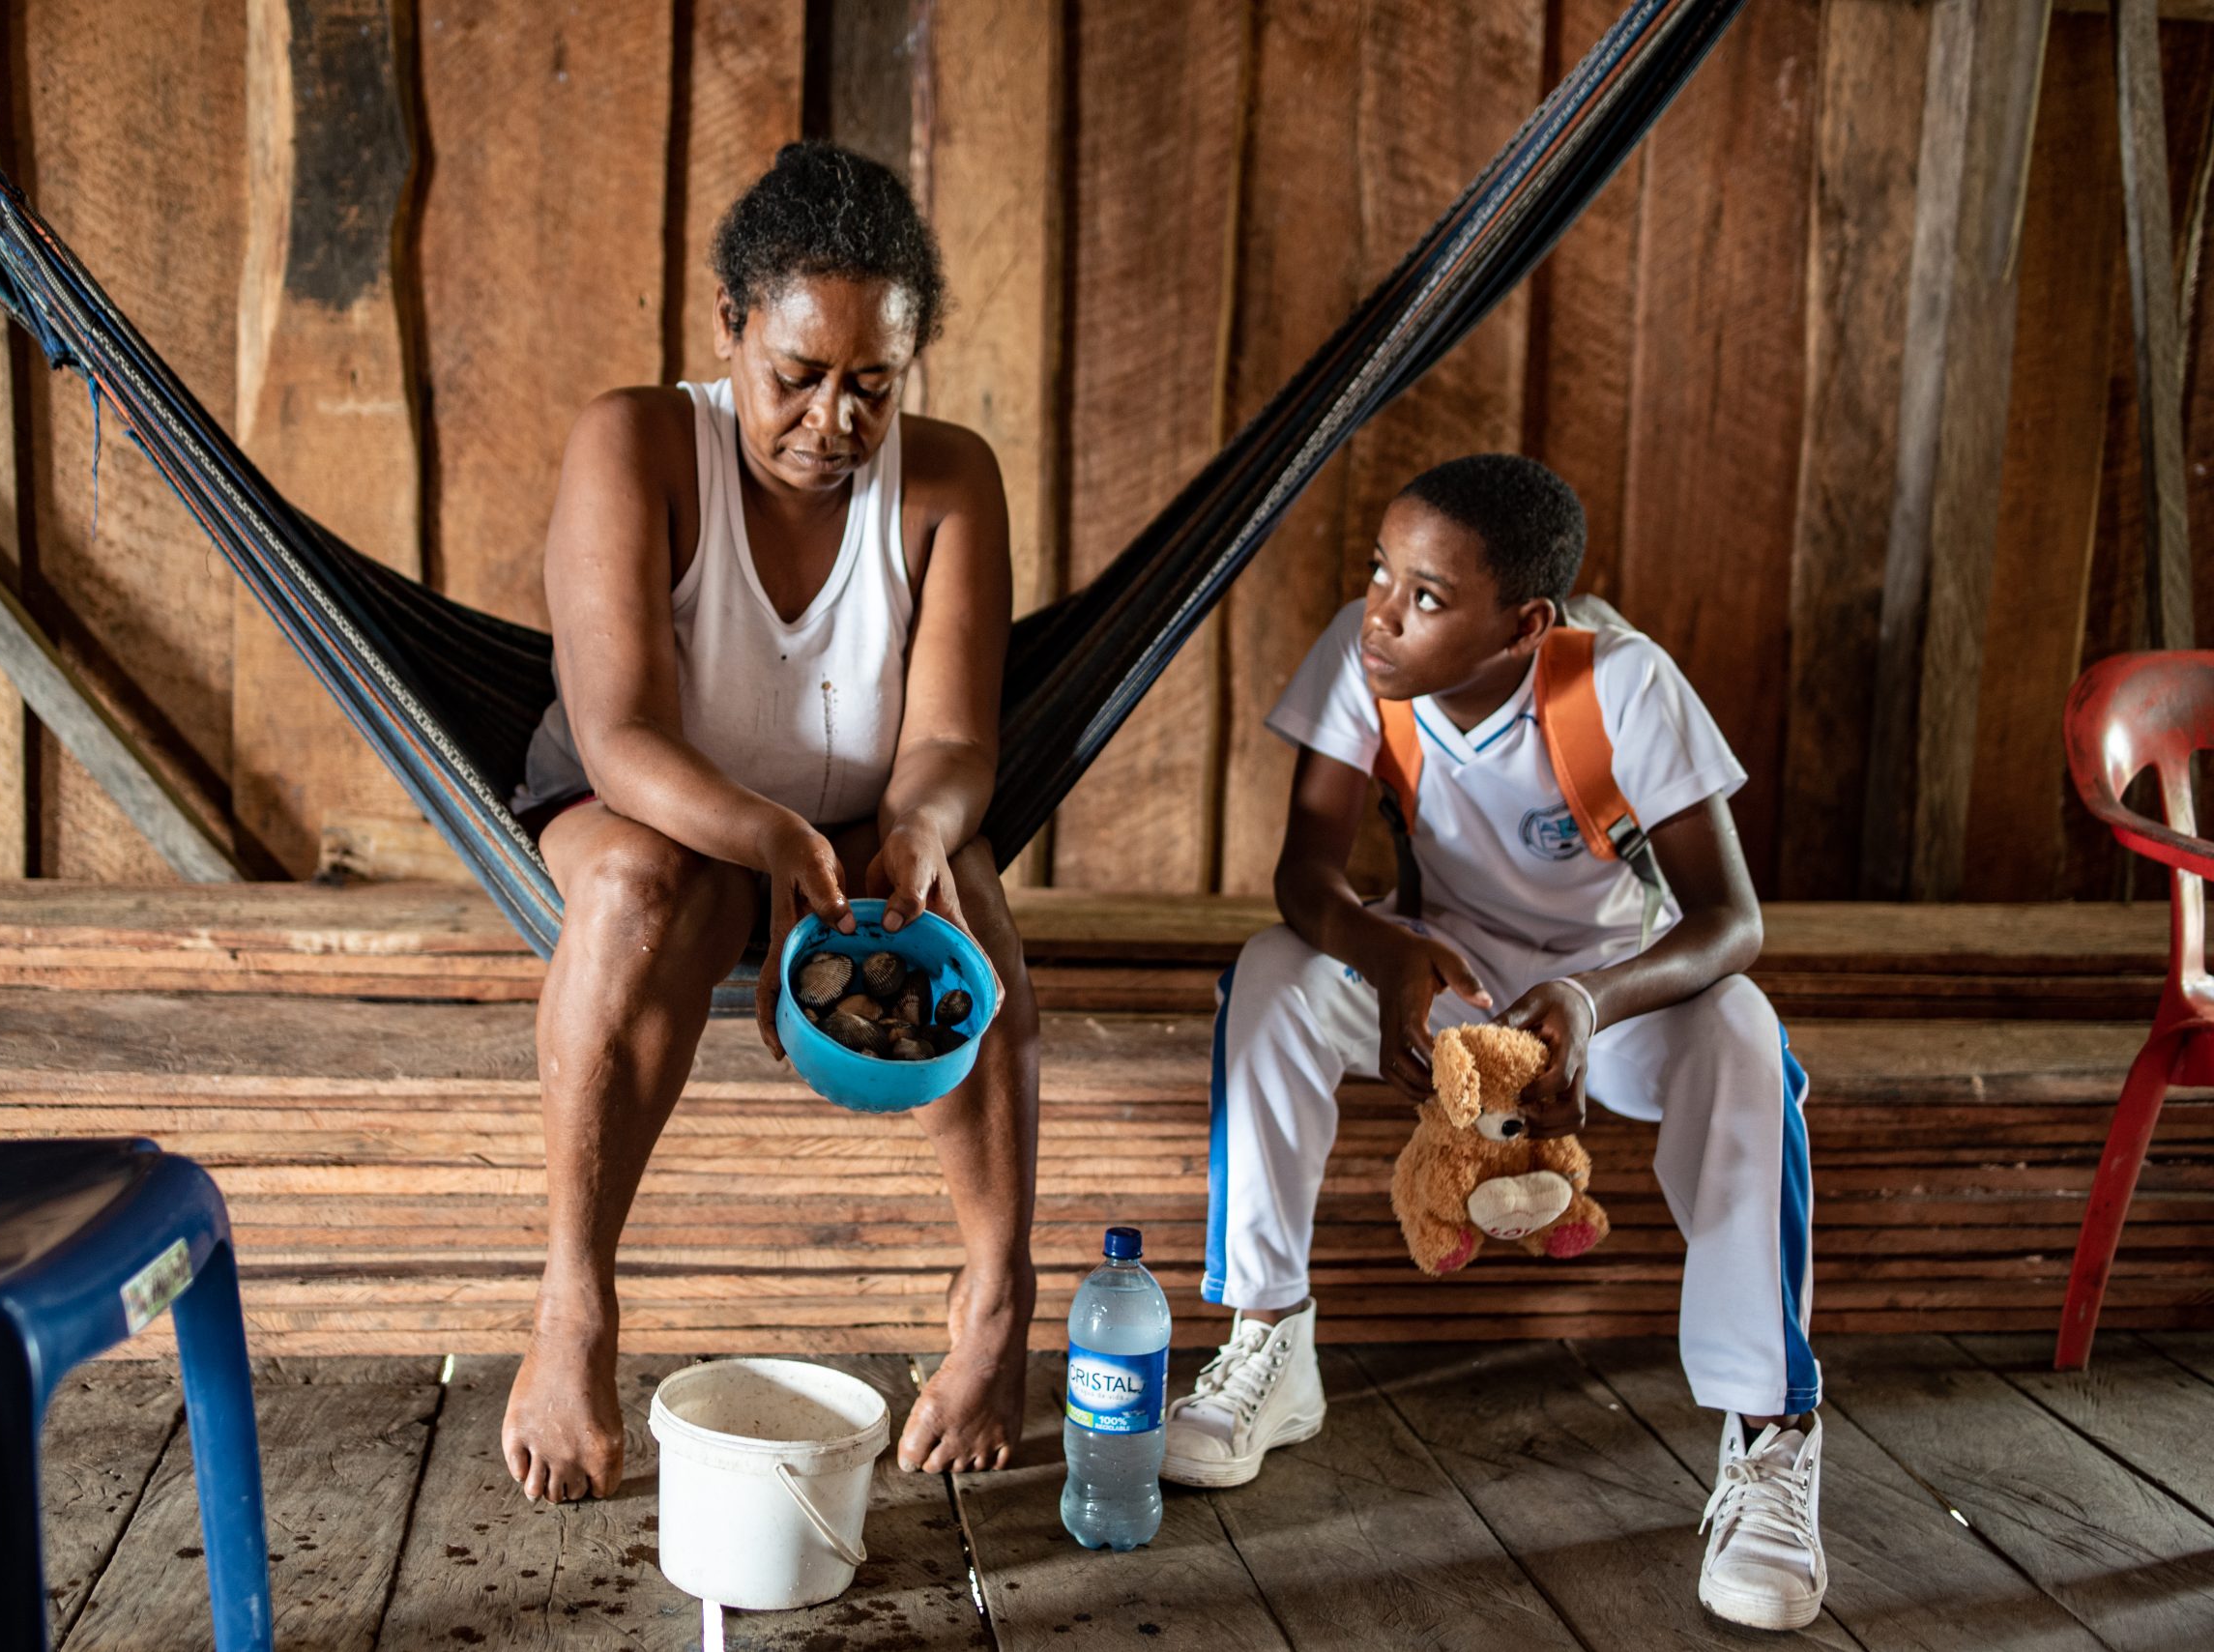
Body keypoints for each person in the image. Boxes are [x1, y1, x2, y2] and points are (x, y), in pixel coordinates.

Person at [1167, 454, 1829, 1632]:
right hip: (1444, 977)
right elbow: (1305, 877)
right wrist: (1384, 951)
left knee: (1742, 1026)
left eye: (1424, 596)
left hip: (1607, 1000)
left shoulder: (1619, 682)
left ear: (1526, 624)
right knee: (1269, 975)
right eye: (1379, 571)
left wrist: (1590, 1000)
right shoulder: (1362, 657)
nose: (1380, 612)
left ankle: (1768, 1431)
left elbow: (1731, 922)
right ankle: (1267, 1338)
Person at [502, 142, 1037, 1502]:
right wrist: (767, 840)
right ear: (729, 324)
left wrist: (918, 830)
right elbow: (621, 732)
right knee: (634, 890)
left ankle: (997, 1300)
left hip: (855, 816)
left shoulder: (950, 483)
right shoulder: (637, 443)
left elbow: (953, 744)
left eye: (874, 384)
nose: (834, 421)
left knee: (964, 906)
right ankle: (573, 1302)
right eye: (796, 374)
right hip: (645, 803)